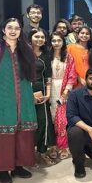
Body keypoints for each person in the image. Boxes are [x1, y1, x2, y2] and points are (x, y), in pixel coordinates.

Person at [0, 18, 37, 183]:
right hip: (2, 97)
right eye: (10, 27)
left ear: (21, 31)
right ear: (3, 30)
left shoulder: (26, 50)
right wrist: (4, 90)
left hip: (24, 96)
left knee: (23, 133)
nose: (13, 31)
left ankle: (18, 166)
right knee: (3, 135)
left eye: (17, 28)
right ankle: (2, 170)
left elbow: (31, 72)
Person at [28, 28, 56, 165]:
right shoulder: (24, 54)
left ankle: (42, 152)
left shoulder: (45, 55)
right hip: (26, 90)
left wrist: (48, 93)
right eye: (36, 36)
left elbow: (48, 76)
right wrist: (29, 92)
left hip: (42, 93)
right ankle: (28, 155)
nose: (39, 39)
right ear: (30, 37)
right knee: (29, 123)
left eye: (42, 37)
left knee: (43, 122)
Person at [49, 32, 77, 160]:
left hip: (64, 89)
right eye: (53, 40)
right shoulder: (46, 56)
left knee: (63, 119)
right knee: (51, 117)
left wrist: (66, 91)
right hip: (49, 88)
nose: (56, 43)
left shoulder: (68, 57)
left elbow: (72, 75)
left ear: (63, 42)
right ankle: (52, 145)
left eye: (59, 40)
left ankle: (63, 145)